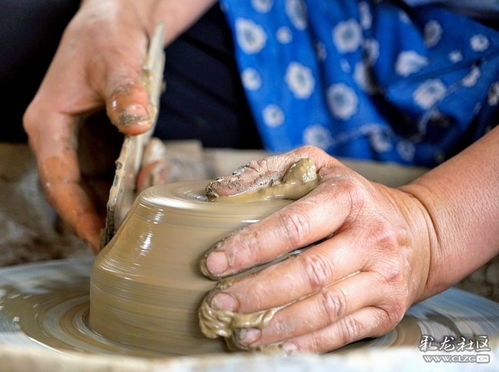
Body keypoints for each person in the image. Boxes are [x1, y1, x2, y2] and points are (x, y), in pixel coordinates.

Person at [22, 0, 498, 353]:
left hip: (480, 84)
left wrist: (428, 227)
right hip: (318, 29)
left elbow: (433, 226)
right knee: (30, 39)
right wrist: (123, 16)